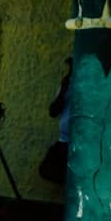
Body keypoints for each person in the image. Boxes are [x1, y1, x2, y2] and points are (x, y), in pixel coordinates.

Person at [39, 57, 72, 185]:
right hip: (64, 140)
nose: (70, 72)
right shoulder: (66, 86)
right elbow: (53, 112)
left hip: (80, 143)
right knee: (47, 170)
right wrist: (63, 89)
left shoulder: (91, 86)